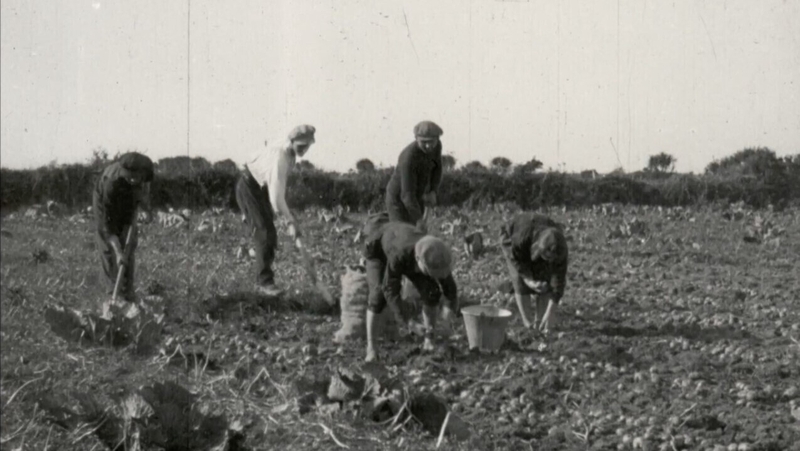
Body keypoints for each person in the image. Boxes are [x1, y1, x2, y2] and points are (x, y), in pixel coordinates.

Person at [236, 124, 316, 296]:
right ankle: (264, 283)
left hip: (260, 186)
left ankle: (254, 253)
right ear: (292, 141)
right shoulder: (280, 158)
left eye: (307, 146)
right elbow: (276, 200)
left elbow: (277, 191)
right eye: (301, 146)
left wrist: (289, 218)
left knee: (266, 233)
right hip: (250, 187)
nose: (304, 149)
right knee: (265, 232)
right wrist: (290, 221)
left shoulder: (288, 152)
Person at [363, 219, 458, 362]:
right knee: (378, 296)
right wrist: (409, 322)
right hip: (378, 248)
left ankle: (429, 340)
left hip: (407, 241)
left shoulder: (435, 253)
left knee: (430, 291)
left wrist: (449, 311)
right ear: (419, 262)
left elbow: (449, 287)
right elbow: (390, 289)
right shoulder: (399, 255)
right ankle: (371, 348)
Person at [93, 152, 154, 303]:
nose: (135, 179)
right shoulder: (111, 183)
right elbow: (108, 228)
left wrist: (146, 210)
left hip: (128, 199)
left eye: (137, 177)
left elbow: (142, 194)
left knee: (129, 245)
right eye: (131, 177)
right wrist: (119, 252)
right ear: (124, 172)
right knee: (109, 250)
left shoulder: (144, 176)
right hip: (106, 202)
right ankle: (112, 293)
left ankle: (128, 292)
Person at [500, 213, 569, 333]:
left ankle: (541, 323)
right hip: (511, 240)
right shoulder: (522, 238)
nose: (549, 261)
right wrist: (528, 280)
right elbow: (516, 260)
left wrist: (550, 312)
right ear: (539, 248)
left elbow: (559, 281)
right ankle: (528, 324)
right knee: (519, 280)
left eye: (552, 259)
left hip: (538, 242)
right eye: (547, 257)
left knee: (544, 281)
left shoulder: (560, 249)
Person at [385, 121, 444, 228]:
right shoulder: (408, 158)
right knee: (402, 233)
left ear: (437, 139)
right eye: (424, 142)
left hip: (417, 195)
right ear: (416, 139)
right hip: (398, 199)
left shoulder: (437, 147)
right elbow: (406, 196)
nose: (428, 146)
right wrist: (419, 219)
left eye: (432, 141)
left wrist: (433, 191)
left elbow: (437, 169)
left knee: (416, 233)